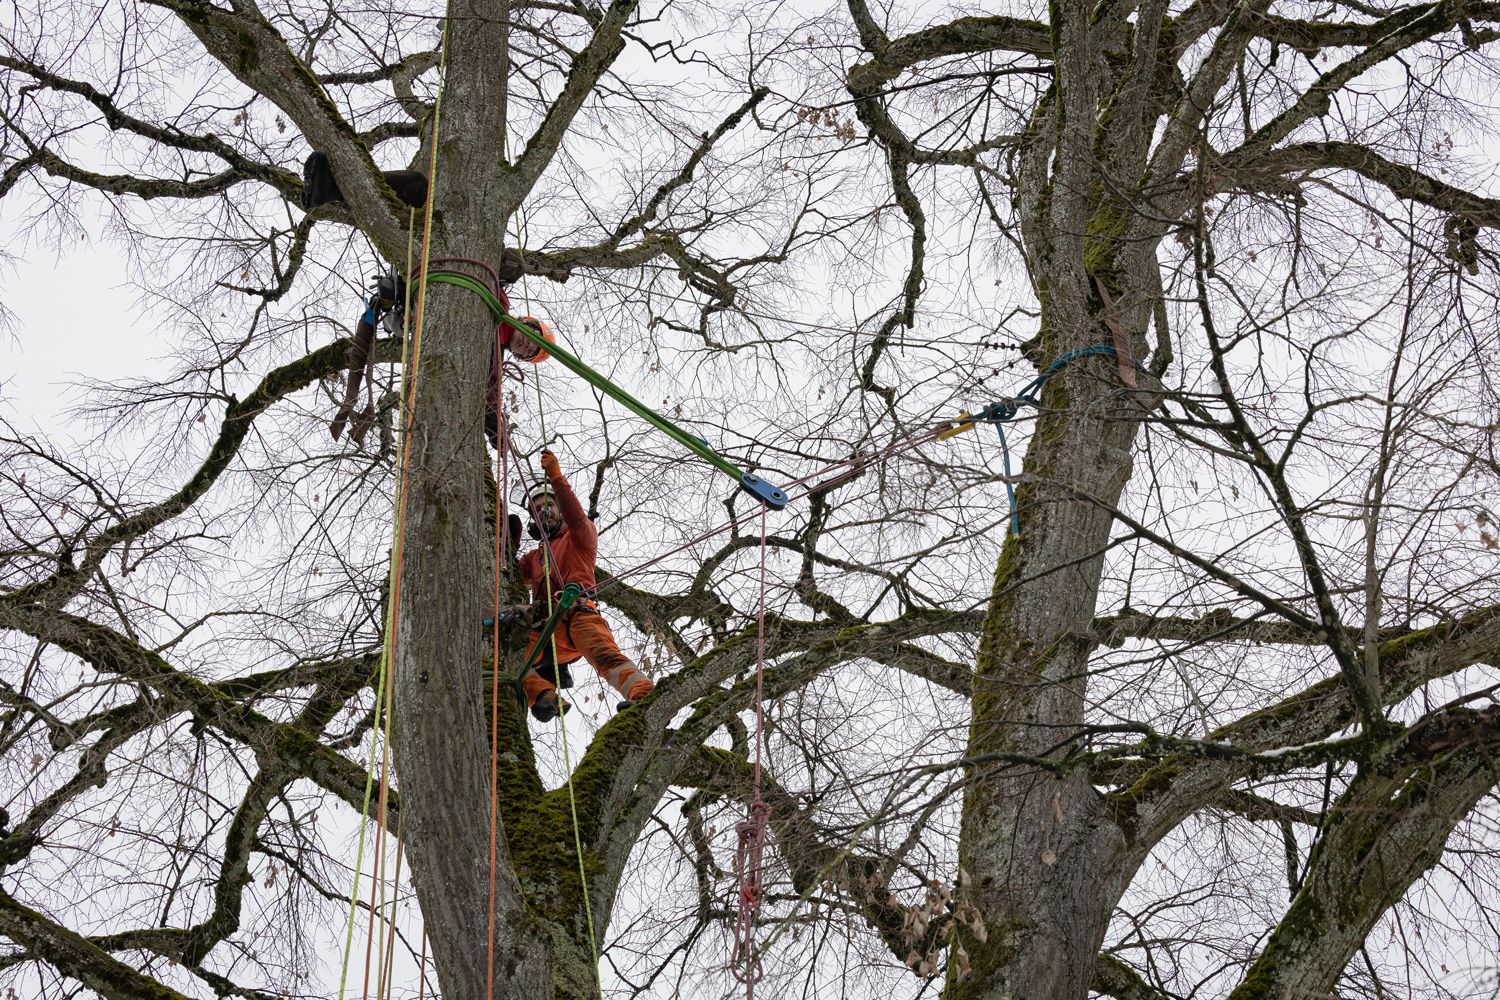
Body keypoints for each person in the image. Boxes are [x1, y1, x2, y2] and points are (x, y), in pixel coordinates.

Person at [302, 151, 556, 448]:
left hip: (423, 283)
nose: (528, 345)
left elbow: (490, 402)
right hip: (438, 250)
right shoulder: (500, 296)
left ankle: (329, 191)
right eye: (533, 337)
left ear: (519, 358)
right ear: (527, 322)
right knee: (417, 185)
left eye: (529, 352)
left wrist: (499, 439)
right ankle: (329, 189)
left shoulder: (493, 360)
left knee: (418, 189)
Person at [519, 450, 654, 721]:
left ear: (559, 509)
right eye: (538, 509)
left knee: (604, 655)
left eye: (550, 505)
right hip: (547, 625)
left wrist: (556, 477)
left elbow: (575, 513)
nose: (545, 511)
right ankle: (544, 696)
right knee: (510, 650)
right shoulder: (534, 557)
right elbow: (507, 573)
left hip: (580, 613)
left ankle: (643, 695)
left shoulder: (581, 534)